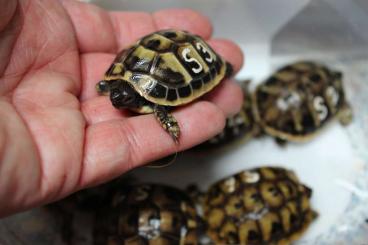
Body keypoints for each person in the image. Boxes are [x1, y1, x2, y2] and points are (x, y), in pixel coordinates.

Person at [0, 0, 244, 217]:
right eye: (116, 94)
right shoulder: (119, 87)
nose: (116, 99)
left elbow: (160, 105)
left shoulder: (155, 102)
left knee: (210, 90)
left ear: (135, 99)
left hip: (191, 55)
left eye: (123, 98)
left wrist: (167, 120)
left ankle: (219, 68)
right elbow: (114, 87)